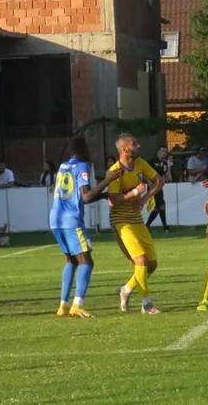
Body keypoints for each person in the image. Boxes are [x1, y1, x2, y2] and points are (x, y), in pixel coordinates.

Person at [50, 137, 122, 318]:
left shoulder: (63, 166)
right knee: (87, 262)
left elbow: (75, 195)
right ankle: (77, 304)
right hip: (71, 221)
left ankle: (63, 306)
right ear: (84, 149)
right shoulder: (83, 166)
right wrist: (108, 180)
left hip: (55, 219)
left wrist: (104, 195)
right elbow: (86, 197)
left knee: (71, 261)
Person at [107, 133, 165, 314]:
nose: (139, 146)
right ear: (124, 149)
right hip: (121, 221)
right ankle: (146, 304)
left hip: (137, 219)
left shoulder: (140, 164)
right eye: (135, 144)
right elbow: (112, 201)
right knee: (141, 260)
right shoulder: (115, 171)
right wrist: (134, 193)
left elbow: (159, 180)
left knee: (152, 264)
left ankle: (126, 289)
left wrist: (145, 197)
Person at [146, 145, 172, 233]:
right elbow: (144, 171)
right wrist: (148, 181)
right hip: (153, 186)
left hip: (159, 186)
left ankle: (147, 225)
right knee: (162, 205)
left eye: (165, 152)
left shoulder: (165, 164)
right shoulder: (152, 161)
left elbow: (167, 178)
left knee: (158, 207)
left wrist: (169, 168)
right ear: (158, 152)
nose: (164, 153)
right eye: (162, 151)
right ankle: (165, 226)